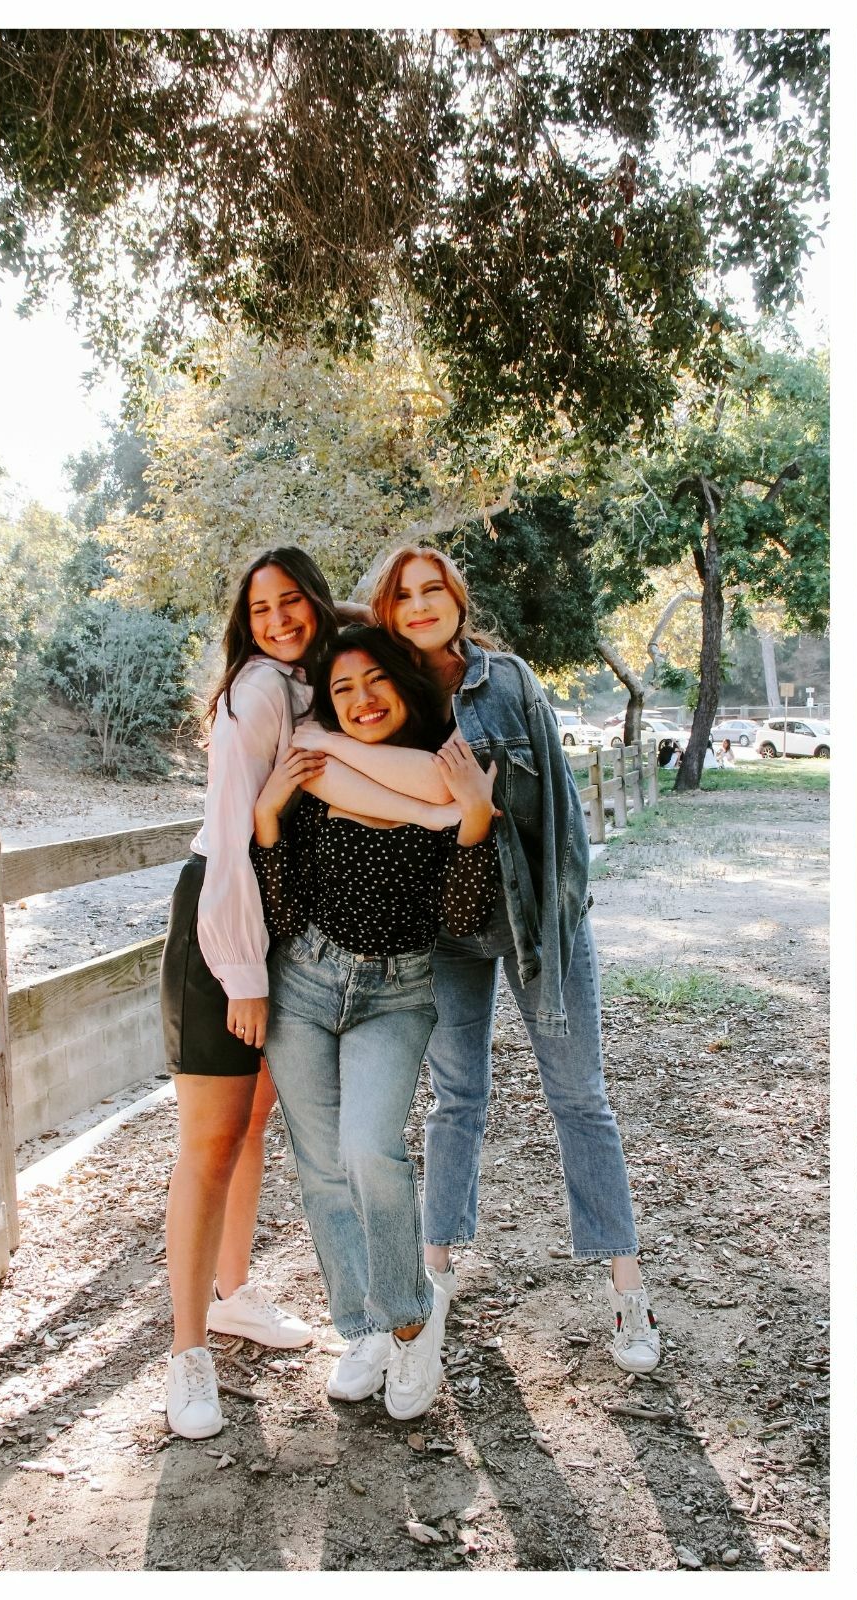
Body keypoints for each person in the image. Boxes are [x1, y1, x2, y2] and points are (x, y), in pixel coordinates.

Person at [294, 546, 661, 1374]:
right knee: (455, 1097)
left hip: (537, 921)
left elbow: (559, 812)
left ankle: (627, 1286)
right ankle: (434, 1270)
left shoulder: (509, 682)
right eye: (403, 596)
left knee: (580, 1095)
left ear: (459, 601)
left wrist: (565, 915)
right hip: (447, 927)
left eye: (435, 591)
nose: (421, 606)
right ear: (386, 611)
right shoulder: (387, 691)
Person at [159, 549, 461, 1441]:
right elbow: (228, 839)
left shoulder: (317, 686)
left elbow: (401, 788)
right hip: (228, 923)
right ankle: (187, 1355)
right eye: (260, 608)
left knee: (263, 1128)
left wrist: (444, 812)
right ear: (243, 625)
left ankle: (236, 1293)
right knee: (213, 1137)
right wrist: (244, 973)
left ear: (317, 605)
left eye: (292, 600)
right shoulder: (258, 694)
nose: (281, 618)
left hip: (289, 929)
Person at [252, 625, 498, 1420]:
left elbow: (460, 913)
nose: (360, 701)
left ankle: (411, 1318)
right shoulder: (318, 772)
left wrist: (473, 823)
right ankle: (361, 1326)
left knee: (369, 1149)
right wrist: (266, 820)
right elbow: (281, 903)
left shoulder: (446, 771)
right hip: (306, 983)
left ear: (402, 685)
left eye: (374, 683)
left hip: (399, 991)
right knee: (321, 1166)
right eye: (343, 689)